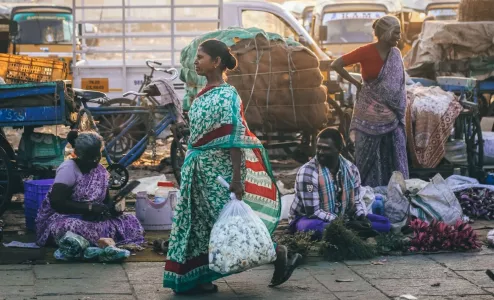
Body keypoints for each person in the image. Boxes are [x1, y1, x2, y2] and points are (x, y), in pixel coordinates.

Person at [163, 39, 301, 294]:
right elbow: (203, 129)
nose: (196, 61)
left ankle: (279, 252)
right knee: (199, 224)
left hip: (221, 174)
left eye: (201, 57)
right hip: (199, 170)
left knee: (229, 224)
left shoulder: (228, 95)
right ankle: (201, 276)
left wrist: (237, 179)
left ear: (216, 62)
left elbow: (234, 139)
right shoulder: (200, 94)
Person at [331, 15, 409, 187]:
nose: (399, 37)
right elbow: (336, 64)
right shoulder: (366, 51)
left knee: (393, 151)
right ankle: (368, 192)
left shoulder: (395, 54)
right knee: (369, 156)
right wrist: (356, 83)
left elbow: (398, 85)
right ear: (385, 33)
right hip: (369, 113)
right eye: (396, 33)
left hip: (393, 114)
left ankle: (395, 191)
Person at [36, 132, 145, 247]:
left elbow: (105, 201)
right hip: (64, 218)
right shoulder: (68, 169)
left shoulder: (101, 171)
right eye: (90, 158)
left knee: (130, 220)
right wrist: (89, 208)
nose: (95, 161)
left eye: (97, 157)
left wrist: (112, 209)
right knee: (69, 227)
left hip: (92, 220)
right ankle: (103, 238)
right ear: (79, 155)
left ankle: (98, 239)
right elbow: (57, 202)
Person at [289, 128, 391, 239]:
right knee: (311, 227)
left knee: (385, 224)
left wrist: (362, 217)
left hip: (343, 218)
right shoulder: (308, 172)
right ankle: (351, 231)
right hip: (308, 219)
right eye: (318, 148)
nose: (320, 152)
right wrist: (344, 223)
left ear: (339, 149)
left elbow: (357, 201)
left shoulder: (351, 169)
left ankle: (348, 231)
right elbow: (313, 212)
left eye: (326, 149)